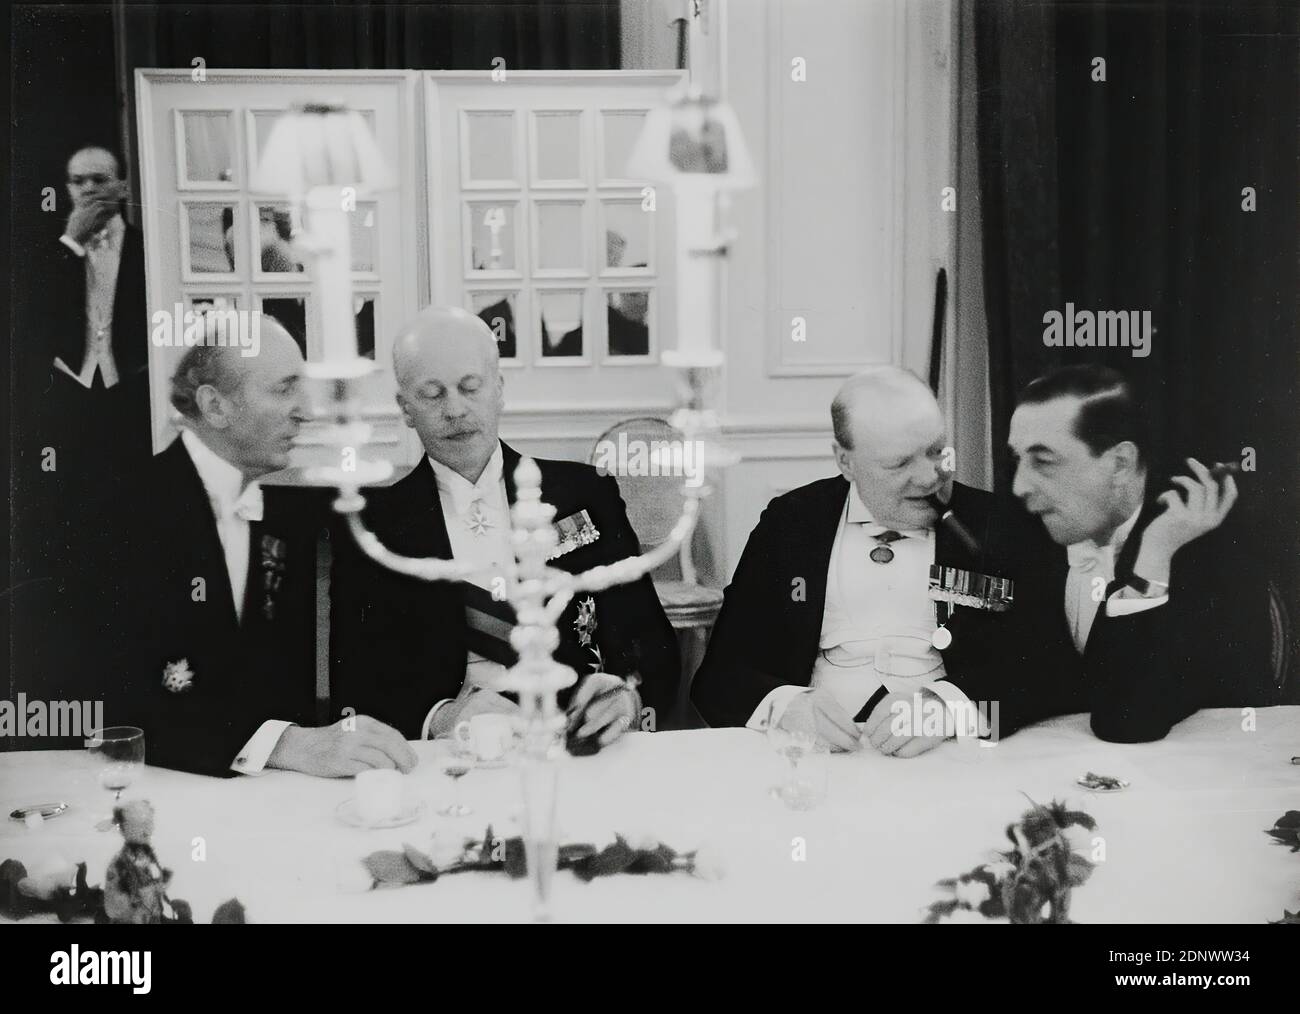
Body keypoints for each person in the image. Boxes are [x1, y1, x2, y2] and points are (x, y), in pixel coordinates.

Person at [330, 307, 679, 748]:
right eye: (432, 394)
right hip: (451, 756)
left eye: (470, 387)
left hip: (572, 741)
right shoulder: (373, 527)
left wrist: (625, 693)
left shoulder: (584, 494)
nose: (455, 410)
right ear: (406, 409)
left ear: (498, 390)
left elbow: (650, 639)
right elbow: (354, 687)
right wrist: (442, 717)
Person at [119, 319, 417, 778]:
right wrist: (284, 744)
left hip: (259, 797)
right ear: (215, 405)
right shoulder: (122, 512)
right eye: (283, 390)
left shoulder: (279, 516)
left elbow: (280, 692)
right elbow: (119, 701)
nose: (306, 411)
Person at [692, 367, 1030, 756]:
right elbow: (719, 676)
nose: (929, 478)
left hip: (952, 758)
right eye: (899, 464)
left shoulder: (994, 524)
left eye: (937, 451)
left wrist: (950, 708)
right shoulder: (791, 523)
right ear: (845, 461)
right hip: (818, 761)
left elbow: (1043, 666)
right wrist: (784, 706)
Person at [993, 364, 1276, 741]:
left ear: (1120, 464)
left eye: (1043, 461)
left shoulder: (1213, 552)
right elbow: (1008, 672)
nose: (1019, 486)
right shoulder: (1024, 527)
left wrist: (1154, 556)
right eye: (1018, 459)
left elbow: (1128, 721)